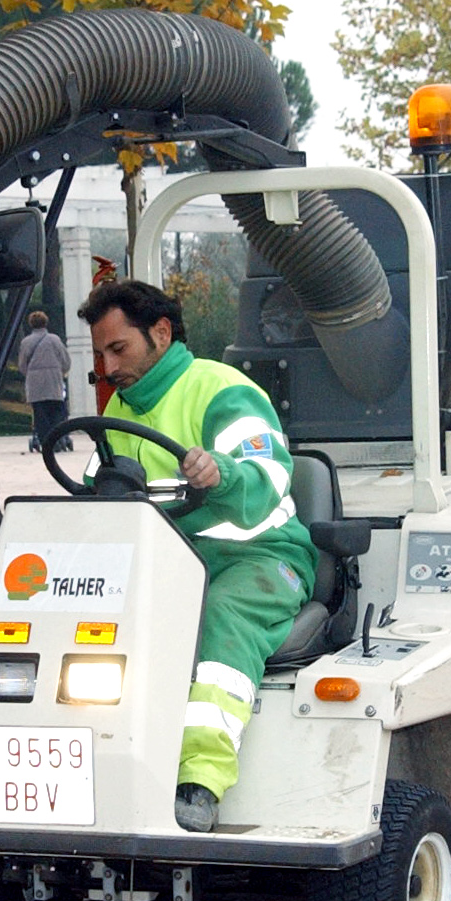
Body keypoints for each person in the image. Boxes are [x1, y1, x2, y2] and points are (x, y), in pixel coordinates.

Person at [77, 280, 316, 832]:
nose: (108, 367)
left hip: (256, 561)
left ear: (160, 334)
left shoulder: (222, 390)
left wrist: (222, 472)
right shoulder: (120, 412)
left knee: (221, 624)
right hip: (168, 562)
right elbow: (96, 488)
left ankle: (200, 782)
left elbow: (268, 476)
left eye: (119, 350)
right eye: (101, 354)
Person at [17, 310, 71, 453]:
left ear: (31, 324)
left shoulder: (26, 342)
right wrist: (61, 371)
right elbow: (65, 360)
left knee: (40, 414)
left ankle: (46, 441)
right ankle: (58, 438)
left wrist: (30, 373)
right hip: (54, 381)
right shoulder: (55, 339)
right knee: (57, 412)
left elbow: (22, 365)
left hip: (35, 383)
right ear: (46, 322)